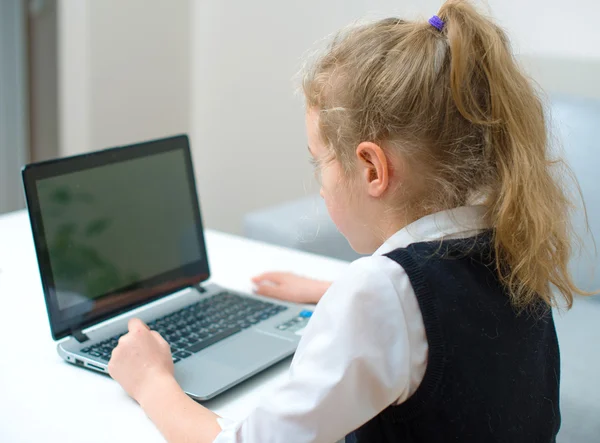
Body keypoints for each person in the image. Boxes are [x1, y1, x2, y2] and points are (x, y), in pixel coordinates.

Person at [107, 1, 593, 442]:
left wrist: (153, 383)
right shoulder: (509, 238)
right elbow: (449, 308)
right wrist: (334, 290)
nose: (320, 185)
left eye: (320, 161)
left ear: (372, 169)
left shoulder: (381, 295)